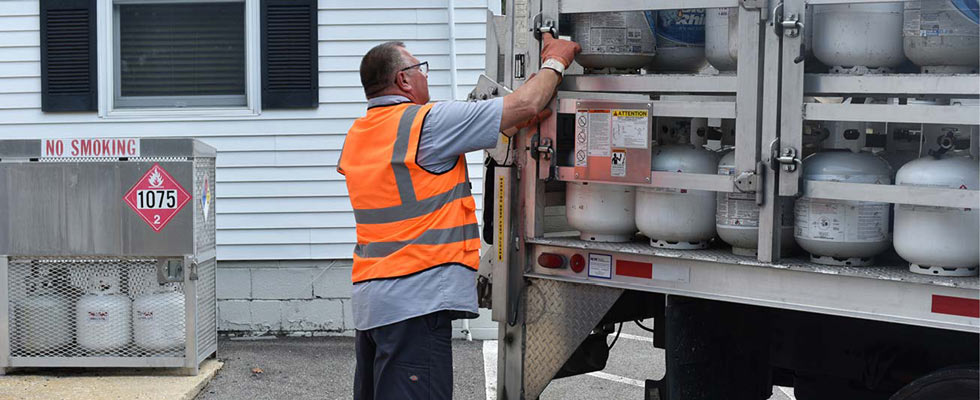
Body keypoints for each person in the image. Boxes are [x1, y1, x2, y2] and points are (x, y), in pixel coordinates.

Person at [338, 35, 581, 400]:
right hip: (415, 300)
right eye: (420, 69)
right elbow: (526, 103)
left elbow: (418, 176)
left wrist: (513, 122)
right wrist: (555, 62)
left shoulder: (359, 135)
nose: (425, 77)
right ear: (403, 80)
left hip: (374, 302)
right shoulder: (426, 123)